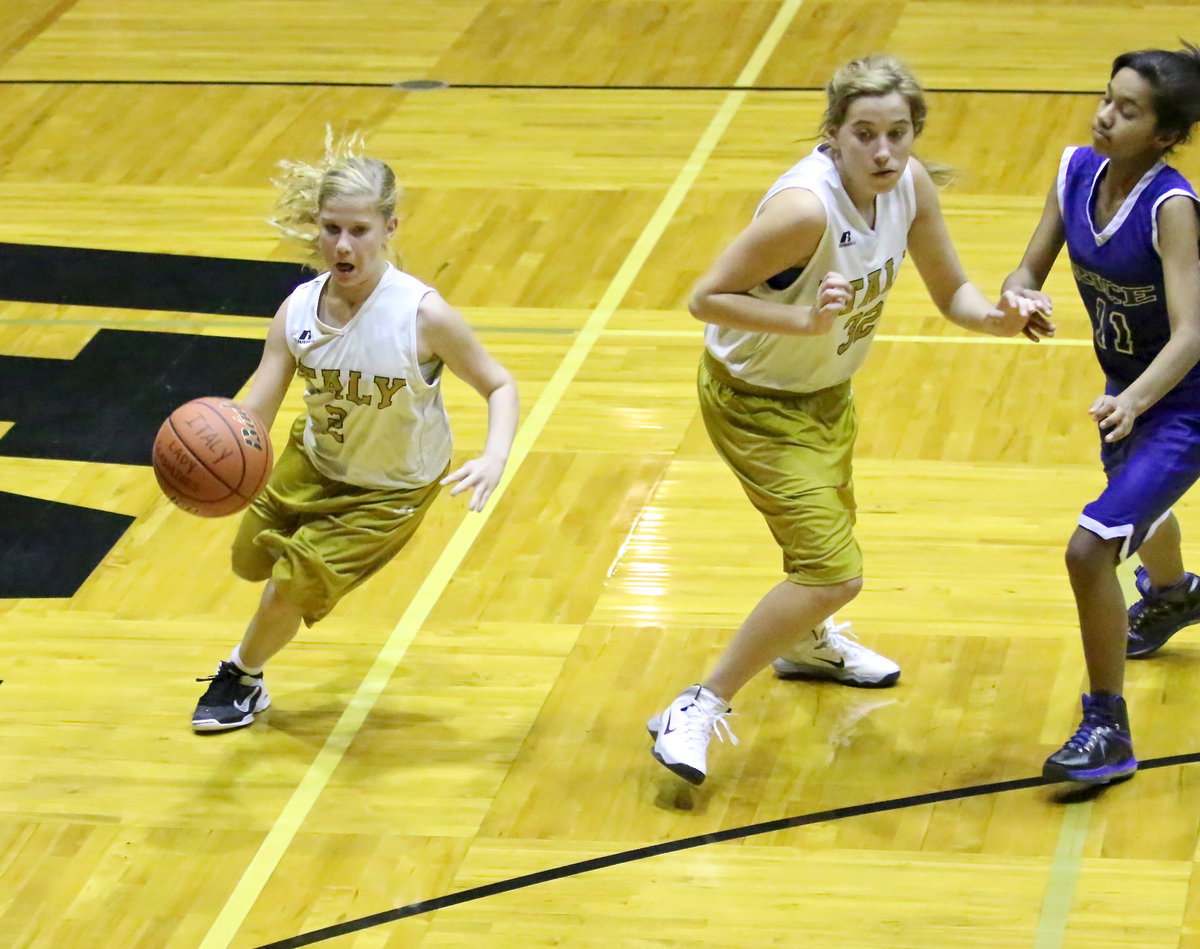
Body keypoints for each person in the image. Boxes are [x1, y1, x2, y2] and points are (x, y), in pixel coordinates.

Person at [647, 54, 1053, 785]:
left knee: (821, 556)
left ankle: (805, 646)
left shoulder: (909, 186)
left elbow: (952, 289)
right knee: (833, 571)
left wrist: (995, 317)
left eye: (898, 132)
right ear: (832, 135)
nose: (884, 150)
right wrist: (802, 319)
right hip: (753, 402)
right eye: (865, 133)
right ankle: (698, 703)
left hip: (828, 396)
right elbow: (704, 297)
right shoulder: (805, 210)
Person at [191, 136, 519, 731]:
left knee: (289, 586)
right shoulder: (297, 310)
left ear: (390, 227)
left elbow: (499, 384)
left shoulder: (422, 315)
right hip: (314, 459)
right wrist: (214, 449)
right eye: (331, 228)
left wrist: (495, 456)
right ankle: (254, 654)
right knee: (248, 563)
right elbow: (255, 413)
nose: (342, 245)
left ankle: (242, 675)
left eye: (360, 230)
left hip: (390, 488)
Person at [1003, 43, 1200, 784]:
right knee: (1135, 513)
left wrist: (1135, 400)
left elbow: (1192, 334)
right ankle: (1177, 596)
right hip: (1129, 391)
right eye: (1107, 97)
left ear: (1166, 134)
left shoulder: (1172, 206)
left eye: (1128, 109)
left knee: (1091, 548)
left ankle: (1107, 728)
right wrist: (1021, 293)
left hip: (1183, 401)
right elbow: (1028, 266)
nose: (1106, 114)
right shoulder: (1074, 170)